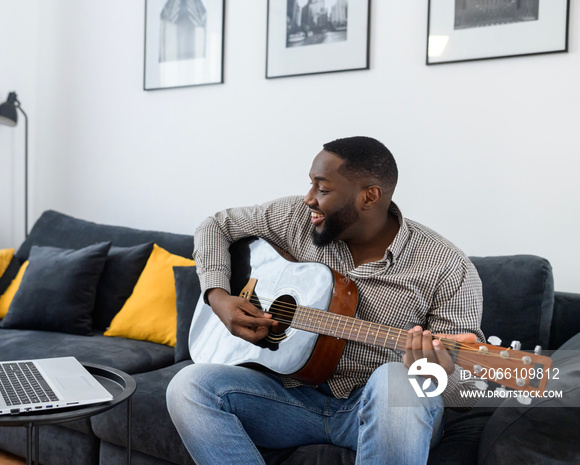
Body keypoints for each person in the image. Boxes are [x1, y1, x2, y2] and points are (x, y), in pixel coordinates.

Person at [167, 136, 485, 464]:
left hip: (376, 410)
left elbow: (467, 394)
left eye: (323, 188)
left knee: (397, 380)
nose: (308, 199)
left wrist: (438, 373)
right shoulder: (295, 218)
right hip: (287, 400)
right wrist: (218, 296)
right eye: (310, 184)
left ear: (369, 196)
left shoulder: (448, 266)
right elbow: (215, 226)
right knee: (188, 386)